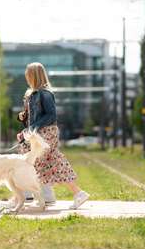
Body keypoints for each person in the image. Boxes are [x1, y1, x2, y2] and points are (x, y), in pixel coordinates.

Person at [17, 62, 90, 210]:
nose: (26, 77)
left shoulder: (45, 93)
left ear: (34, 76)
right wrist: (24, 118)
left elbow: (51, 115)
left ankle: (24, 196)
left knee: (31, 160)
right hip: (39, 132)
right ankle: (69, 194)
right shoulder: (33, 94)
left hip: (46, 132)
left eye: (28, 74)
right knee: (47, 161)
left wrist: (32, 129)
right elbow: (36, 116)